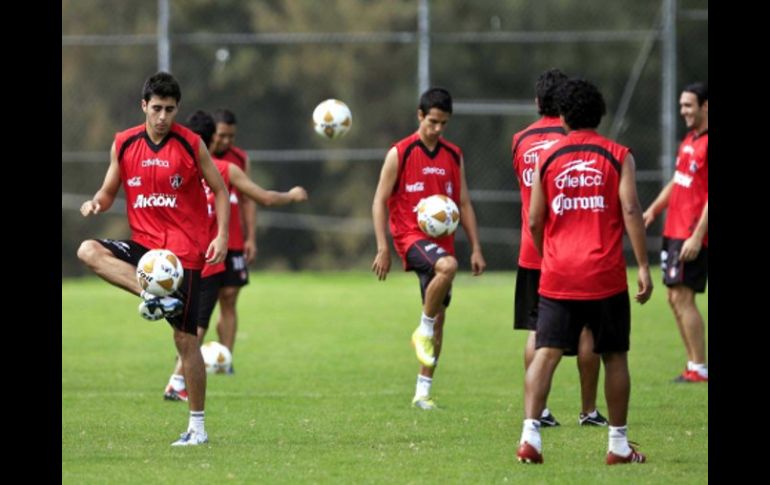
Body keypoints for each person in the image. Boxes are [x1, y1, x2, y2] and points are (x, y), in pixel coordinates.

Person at [76, 72, 230, 446]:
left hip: (183, 254)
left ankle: (197, 429)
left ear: (177, 108)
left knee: (185, 341)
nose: (163, 116)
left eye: (170, 109)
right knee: (88, 250)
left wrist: (222, 235)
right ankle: (153, 296)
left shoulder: (191, 144)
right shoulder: (125, 144)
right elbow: (110, 190)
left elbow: (221, 190)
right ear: (144, 106)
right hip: (146, 251)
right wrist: (97, 201)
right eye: (157, 108)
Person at [516, 78, 652, 465]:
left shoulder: (548, 156)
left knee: (546, 353)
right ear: (600, 115)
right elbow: (630, 212)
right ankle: (618, 446)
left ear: (562, 117)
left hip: (558, 273)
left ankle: (530, 438)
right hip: (605, 274)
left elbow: (535, 219)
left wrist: (550, 255)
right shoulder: (618, 155)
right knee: (614, 355)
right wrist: (642, 265)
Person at [163, 110, 308, 401]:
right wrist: (292, 195)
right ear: (208, 139)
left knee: (196, 320)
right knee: (197, 325)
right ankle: (176, 382)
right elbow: (264, 197)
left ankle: (193, 373)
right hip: (207, 258)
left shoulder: (173, 169)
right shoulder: (222, 170)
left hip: (182, 256)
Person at [372, 87, 486, 410]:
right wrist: (383, 247)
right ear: (420, 116)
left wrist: (476, 247)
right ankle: (421, 328)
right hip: (410, 237)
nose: (437, 129)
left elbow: (463, 202)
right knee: (448, 268)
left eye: (443, 123)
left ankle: (422, 392)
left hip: (442, 243)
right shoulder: (401, 152)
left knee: (440, 320)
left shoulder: (453, 155)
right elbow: (379, 200)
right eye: (432, 121)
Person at [511, 68, 607, 428]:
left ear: (538, 102)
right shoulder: (574, 139)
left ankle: (541, 411)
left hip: (531, 251)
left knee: (537, 330)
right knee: (587, 331)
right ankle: (588, 410)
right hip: (573, 250)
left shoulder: (519, 140)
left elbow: (528, 199)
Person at [643, 82, 708, 383]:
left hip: (693, 232)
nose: (683, 110)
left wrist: (697, 236)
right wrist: (654, 210)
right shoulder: (689, 140)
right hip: (675, 229)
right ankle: (692, 365)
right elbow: (678, 180)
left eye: (688, 105)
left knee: (683, 297)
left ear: (705, 106)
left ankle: (700, 367)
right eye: (681, 105)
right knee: (673, 297)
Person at [208, 108, 257, 371]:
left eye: (231, 136)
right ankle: (186, 359)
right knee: (202, 303)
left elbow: (249, 199)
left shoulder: (239, 159)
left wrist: (251, 237)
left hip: (234, 240)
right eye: (222, 135)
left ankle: (224, 360)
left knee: (229, 297)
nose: (226, 141)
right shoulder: (195, 155)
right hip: (202, 239)